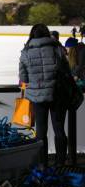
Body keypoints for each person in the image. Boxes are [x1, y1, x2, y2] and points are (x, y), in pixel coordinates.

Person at [19, 24, 70, 167]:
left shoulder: (26, 52)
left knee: (41, 131)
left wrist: (26, 89)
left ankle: (42, 165)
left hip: (37, 97)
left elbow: (24, 80)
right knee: (59, 129)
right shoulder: (56, 48)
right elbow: (66, 70)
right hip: (57, 94)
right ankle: (60, 163)